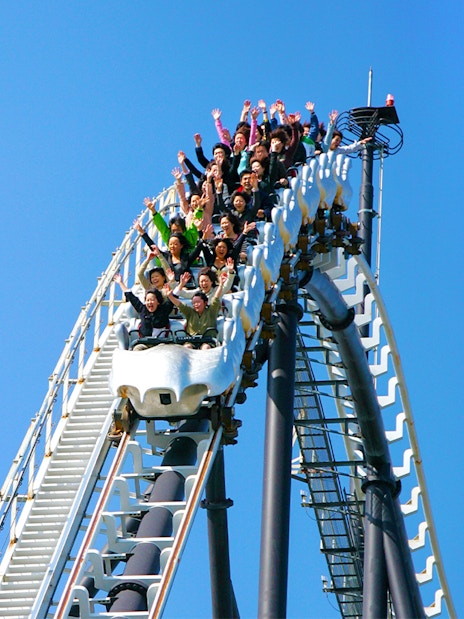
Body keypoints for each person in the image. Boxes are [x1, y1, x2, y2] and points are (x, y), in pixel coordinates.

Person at [164, 272, 228, 349]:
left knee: (205, 347)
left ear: (205, 303)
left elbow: (216, 298)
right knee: (187, 347)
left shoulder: (211, 311)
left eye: (198, 302)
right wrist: (170, 296)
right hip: (191, 341)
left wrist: (221, 284)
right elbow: (179, 304)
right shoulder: (190, 312)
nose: (196, 305)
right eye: (194, 303)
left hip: (207, 341)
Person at [113, 273, 172, 350]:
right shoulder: (142, 309)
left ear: (158, 301)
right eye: (147, 300)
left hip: (160, 344)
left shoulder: (163, 310)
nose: (149, 302)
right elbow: (131, 296)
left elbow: (172, 300)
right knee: (137, 349)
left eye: (152, 300)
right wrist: (121, 282)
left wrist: (177, 285)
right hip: (145, 343)